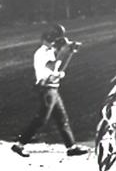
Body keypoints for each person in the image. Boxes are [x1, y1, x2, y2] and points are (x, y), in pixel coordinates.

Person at [12, 24, 88, 157]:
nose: (53, 42)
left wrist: (68, 54)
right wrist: (64, 52)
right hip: (46, 88)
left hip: (53, 88)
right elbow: (52, 67)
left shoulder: (51, 52)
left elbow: (58, 68)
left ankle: (71, 147)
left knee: (62, 118)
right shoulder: (42, 53)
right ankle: (19, 144)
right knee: (42, 119)